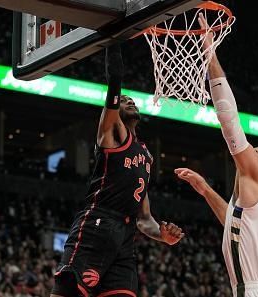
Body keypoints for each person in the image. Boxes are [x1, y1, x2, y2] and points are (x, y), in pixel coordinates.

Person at [50, 45, 184, 297]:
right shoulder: (111, 134)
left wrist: (163, 236)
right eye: (123, 100)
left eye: (131, 99)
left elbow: (144, 219)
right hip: (98, 224)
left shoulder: (146, 155)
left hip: (125, 236)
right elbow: (114, 85)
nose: (129, 100)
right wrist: (115, 43)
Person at [174, 14, 258, 297]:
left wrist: (209, 52)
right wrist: (205, 190)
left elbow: (230, 122)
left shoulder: (257, 175)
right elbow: (237, 224)